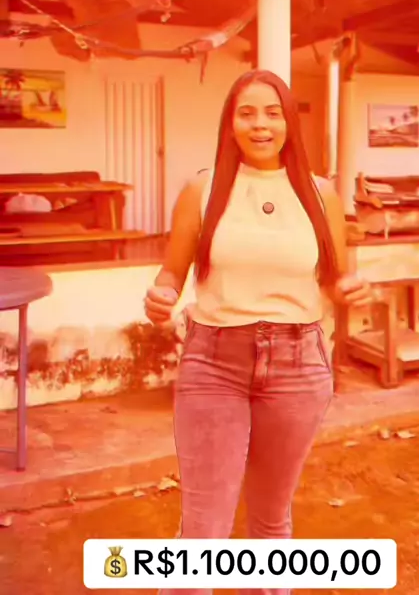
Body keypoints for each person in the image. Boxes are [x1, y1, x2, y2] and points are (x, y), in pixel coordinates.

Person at [144, 69, 371, 595]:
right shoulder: (202, 190)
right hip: (214, 362)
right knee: (204, 529)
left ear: (290, 122)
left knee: (271, 520)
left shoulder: (320, 194)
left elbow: (336, 278)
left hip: (298, 364)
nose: (260, 124)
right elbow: (171, 274)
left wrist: (350, 287)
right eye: (246, 113)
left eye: (273, 113)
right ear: (230, 124)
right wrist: (160, 296)